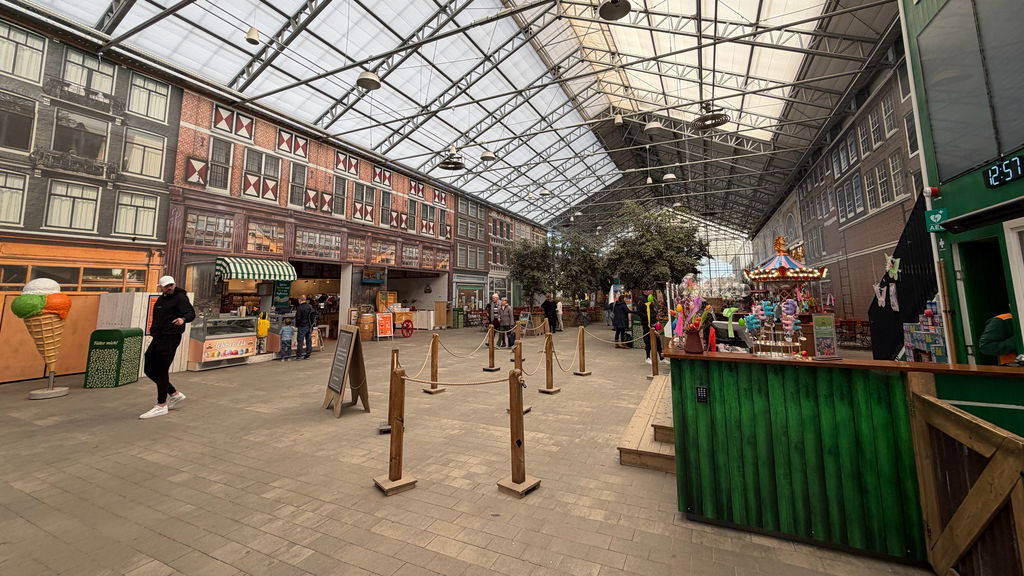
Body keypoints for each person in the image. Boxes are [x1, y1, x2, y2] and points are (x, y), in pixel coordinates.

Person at [140, 276, 195, 419]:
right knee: (149, 368)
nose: (169, 287)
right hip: (158, 337)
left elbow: (191, 313)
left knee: (162, 369)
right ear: (161, 287)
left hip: (170, 337)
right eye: (166, 286)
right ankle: (174, 394)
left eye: (171, 285)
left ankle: (161, 405)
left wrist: (183, 319)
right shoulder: (161, 299)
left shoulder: (180, 298)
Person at [634, 293, 666, 364]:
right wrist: (646, 317)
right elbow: (639, 311)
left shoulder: (652, 300)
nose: (649, 291)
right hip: (647, 324)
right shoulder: (641, 299)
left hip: (653, 323)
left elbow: (654, 311)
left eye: (650, 289)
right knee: (648, 342)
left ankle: (661, 358)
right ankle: (647, 357)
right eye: (647, 290)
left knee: (658, 341)